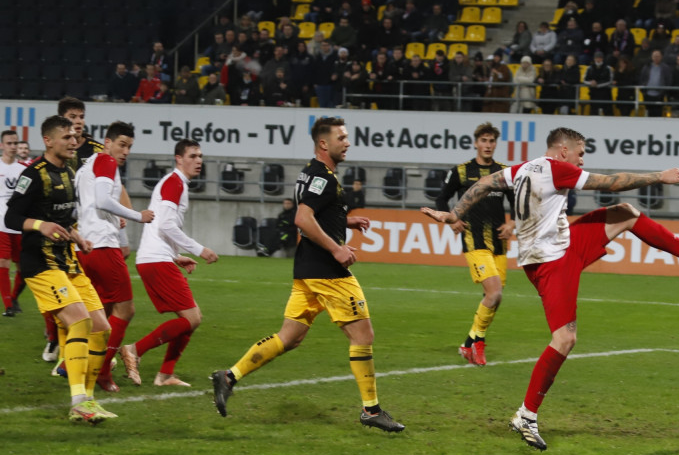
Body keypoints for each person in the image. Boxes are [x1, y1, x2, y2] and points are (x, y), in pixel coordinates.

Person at [420, 127, 679, 450]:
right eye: (580, 153)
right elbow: (611, 182)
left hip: (561, 247)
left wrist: (454, 213)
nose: (582, 160)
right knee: (564, 339)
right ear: (563, 151)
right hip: (552, 263)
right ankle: (526, 415)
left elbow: (483, 184)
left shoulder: (521, 169)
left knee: (625, 213)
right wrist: (659, 177)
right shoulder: (557, 169)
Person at [211, 117, 404, 433]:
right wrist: (337, 249)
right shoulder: (322, 177)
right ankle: (371, 410)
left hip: (307, 271)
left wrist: (345, 221)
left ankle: (229, 377)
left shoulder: (312, 172)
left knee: (289, 337)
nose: (347, 142)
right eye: (341, 137)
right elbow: (303, 218)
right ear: (324, 143)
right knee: (363, 337)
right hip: (327, 273)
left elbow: (315, 211)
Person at [3, 116, 115, 423]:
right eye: (66, 137)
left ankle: (88, 401)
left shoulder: (68, 172)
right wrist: (41, 225)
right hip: (40, 263)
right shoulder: (33, 174)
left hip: (67, 260)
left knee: (102, 329)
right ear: (48, 141)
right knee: (80, 321)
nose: (74, 141)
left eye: (74, 137)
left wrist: (77, 237)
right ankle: (78, 401)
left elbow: (63, 219)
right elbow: (11, 218)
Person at [115, 139, 218, 388]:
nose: (198, 161)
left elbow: (159, 225)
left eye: (200, 156)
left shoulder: (175, 183)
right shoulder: (174, 183)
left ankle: (165, 375)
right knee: (192, 318)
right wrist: (199, 249)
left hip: (157, 257)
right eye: (192, 156)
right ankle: (134, 350)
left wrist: (175, 256)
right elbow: (166, 225)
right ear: (178, 159)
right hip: (155, 260)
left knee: (192, 318)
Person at [74, 122, 156, 393]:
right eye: (122, 144)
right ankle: (103, 370)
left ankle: (76, 362)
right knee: (125, 310)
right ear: (107, 143)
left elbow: (85, 206)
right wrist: (137, 216)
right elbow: (102, 200)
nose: (126, 151)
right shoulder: (106, 161)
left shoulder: (85, 167)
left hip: (85, 247)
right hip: (102, 246)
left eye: (129, 146)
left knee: (101, 312)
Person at [434, 122, 511, 365]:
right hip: (474, 240)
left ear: (495, 144)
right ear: (476, 143)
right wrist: (452, 221)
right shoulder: (462, 171)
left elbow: (518, 202)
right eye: (484, 140)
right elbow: (441, 199)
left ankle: (468, 343)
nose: (488, 145)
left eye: (491, 141)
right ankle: (477, 344)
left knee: (495, 298)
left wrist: (513, 223)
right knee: (494, 293)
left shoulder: (503, 172)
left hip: (498, 242)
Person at [0, 130, 26, 316]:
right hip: (0, 223)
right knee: (3, 261)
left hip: (18, 223)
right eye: (9, 143)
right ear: (2, 145)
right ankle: (8, 305)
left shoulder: (23, 169)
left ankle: (14, 297)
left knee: (23, 267)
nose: (13, 146)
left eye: (15, 143)